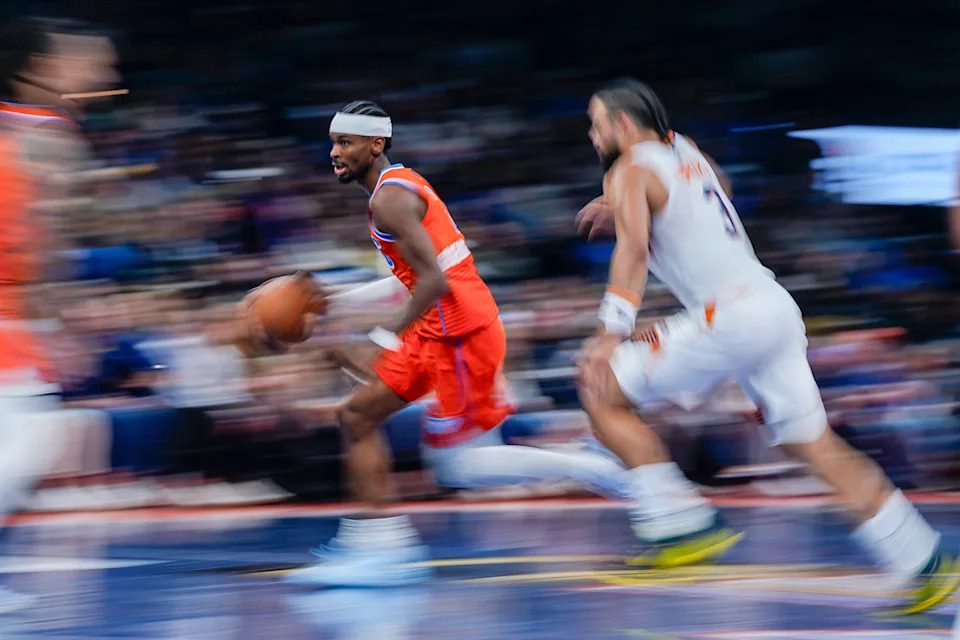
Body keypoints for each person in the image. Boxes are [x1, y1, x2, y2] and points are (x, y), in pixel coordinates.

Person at [575, 77, 957, 614]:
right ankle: (923, 561)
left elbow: (633, 253)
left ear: (621, 123)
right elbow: (719, 189)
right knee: (816, 443)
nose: (591, 135)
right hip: (773, 306)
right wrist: (624, 201)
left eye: (595, 123)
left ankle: (678, 525)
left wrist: (606, 334)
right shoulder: (684, 148)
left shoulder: (628, 168)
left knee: (600, 388)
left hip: (728, 317)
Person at [281, 101, 682, 588]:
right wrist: (337, 297)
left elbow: (433, 282)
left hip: (459, 333)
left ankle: (590, 467)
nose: (334, 153)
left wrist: (378, 340)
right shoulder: (401, 184)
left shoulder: (389, 199)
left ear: (376, 144)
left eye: (344, 142)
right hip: (444, 327)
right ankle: (377, 544)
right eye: (332, 142)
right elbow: (429, 268)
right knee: (357, 416)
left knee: (461, 465)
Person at [0, 16, 120, 610]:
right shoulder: (53, 138)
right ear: (38, 69)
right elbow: (47, 247)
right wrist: (59, 326)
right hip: (10, 318)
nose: (104, 74)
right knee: (31, 439)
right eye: (88, 62)